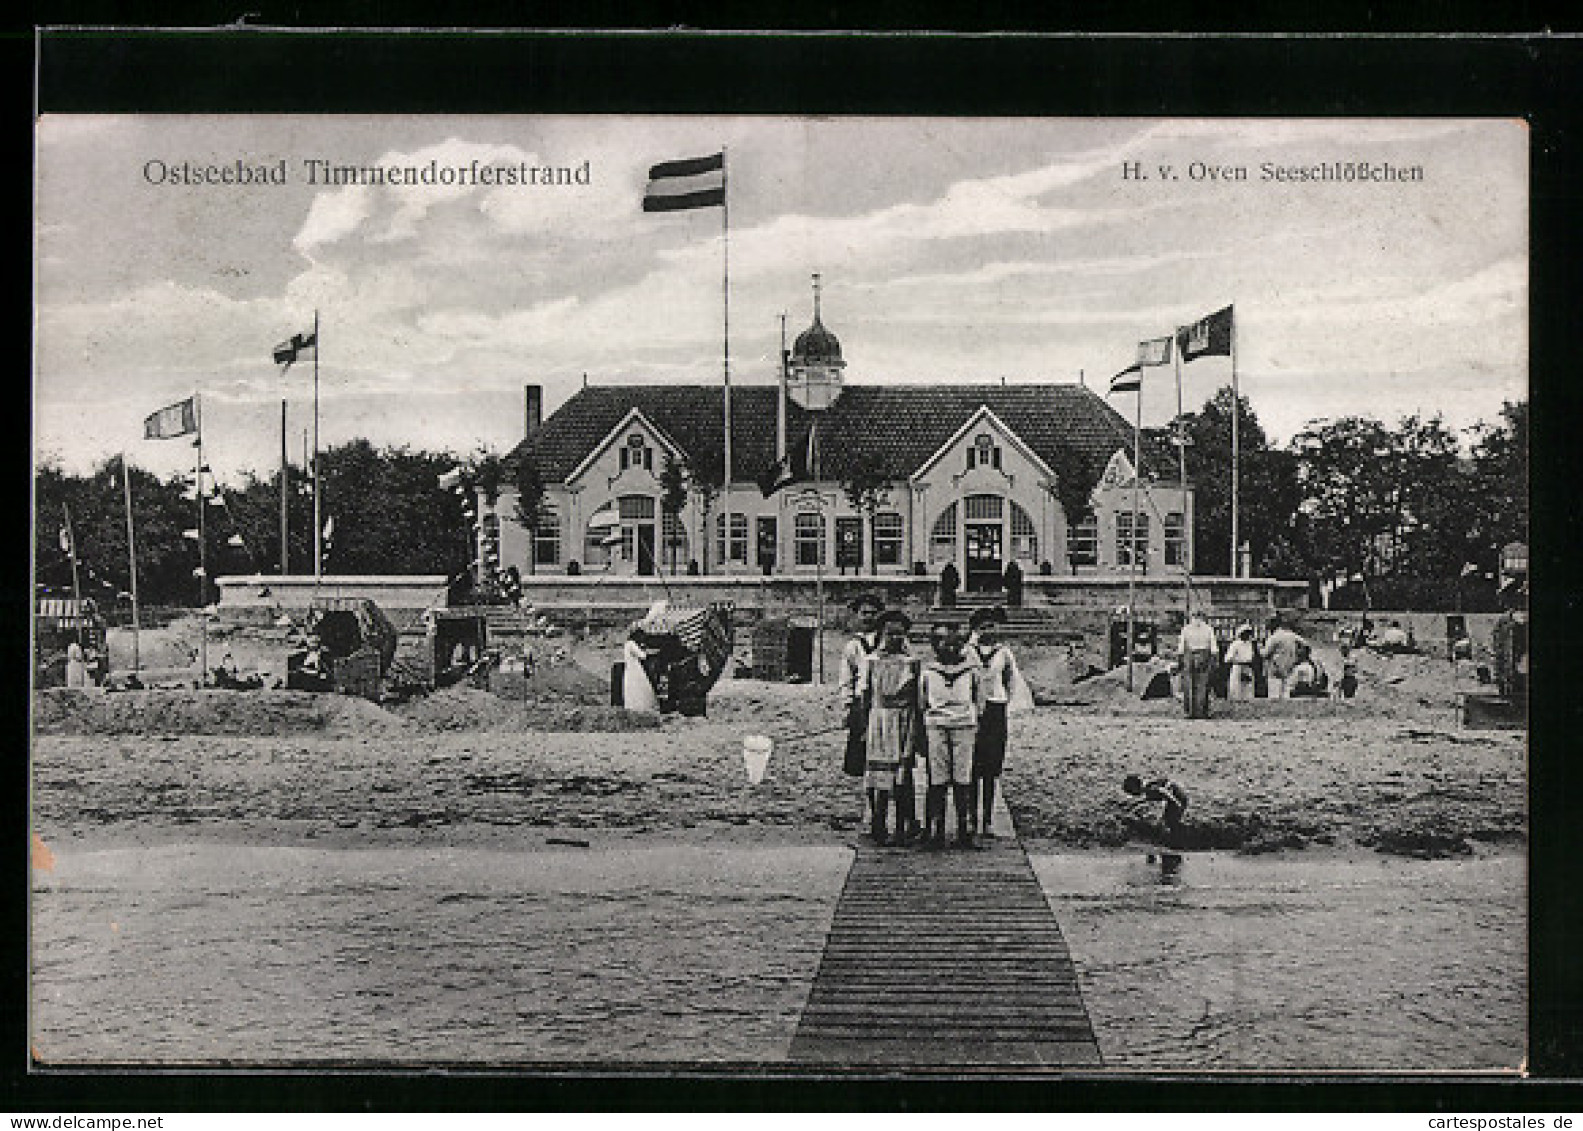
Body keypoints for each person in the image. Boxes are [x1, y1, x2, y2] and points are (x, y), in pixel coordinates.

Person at [919, 621, 984, 849]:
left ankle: (964, 829)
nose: (950, 650)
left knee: (963, 777)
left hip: (964, 726)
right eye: (944, 645)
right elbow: (922, 701)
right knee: (937, 777)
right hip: (936, 726)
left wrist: (973, 720)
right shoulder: (928, 671)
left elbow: (979, 700)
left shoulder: (972, 671)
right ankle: (935, 829)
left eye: (955, 645)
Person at [863, 610, 922, 846]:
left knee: (903, 774)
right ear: (882, 634)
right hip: (879, 719)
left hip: (905, 720)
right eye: (890, 633)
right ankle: (878, 823)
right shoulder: (871, 661)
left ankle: (903, 825)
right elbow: (864, 694)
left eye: (900, 633)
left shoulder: (912, 663)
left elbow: (919, 698)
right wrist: (861, 724)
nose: (895, 638)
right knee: (880, 776)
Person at [967, 606, 1025, 837]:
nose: (988, 631)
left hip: (995, 710)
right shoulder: (967, 651)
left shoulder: (1004, 653)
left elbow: (1012, 680)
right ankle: (971, 818)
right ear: (974, 629)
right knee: (972, 767)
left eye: (992, 626)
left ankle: (988, 820)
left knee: (991, 768)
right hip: (972, 711)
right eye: (983, 627)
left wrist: (1003, 702)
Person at [839, 594, 885, 787]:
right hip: (861, 702)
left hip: (884, 702)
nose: (868, 618)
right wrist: (847, 706)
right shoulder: (852, 646)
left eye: (873, 613)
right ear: (857, 616)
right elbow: (846, 679)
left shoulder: (889, 640)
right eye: (864, 613)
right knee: (861, 750)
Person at [1122, 773, 1189, 846]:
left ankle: (1178, 838)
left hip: (1178, 798)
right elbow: (1150, 797)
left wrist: (1176, 803)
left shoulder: (1149, 789)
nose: (1133, 795)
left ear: (1135, 788)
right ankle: (1174, 836)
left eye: (1132, 792)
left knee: (1169, 820)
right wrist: (1133, 805)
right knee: (1165, 821)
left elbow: (1163, 792)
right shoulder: (1147, 787)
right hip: (1176, 795)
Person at [1178, 609, 1217, 719]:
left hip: (1192, 655)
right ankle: (1200, 712)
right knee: (1202, 683)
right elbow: (1213, 647)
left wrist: (1180, 659)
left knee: (1192, 683)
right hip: (1202, 654)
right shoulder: (1208, 629)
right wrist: (1214, 658)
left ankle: (1192, 712)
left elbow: (1181, 647)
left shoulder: (1186, 629)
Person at [1262, 615, 1305, 699]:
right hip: (1289, 665)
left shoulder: (1273, 638)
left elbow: (1265, 654)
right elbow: (1305, 644)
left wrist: (1259, 647)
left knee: (1274, 692)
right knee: (1286, 692)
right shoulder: (1291, 635)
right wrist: (1298, 658)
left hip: (1275, 667)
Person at [621, 626, 659, 713]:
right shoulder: (632, 644)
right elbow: (642, 656)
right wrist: (644, 649)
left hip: (629, 667)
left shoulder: (627, 644)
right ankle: (640, 707)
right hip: (635, 667)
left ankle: (632, 706)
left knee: (631, 687)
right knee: (639, 686)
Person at [1223, 623, 1257, 702]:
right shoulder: (1235, 644)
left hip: (1248, 667)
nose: (1247, 635)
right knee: (1236, 688)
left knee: (1247, 687)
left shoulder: (1249, 644)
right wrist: (1238, 661)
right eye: (1246, 633)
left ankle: (1247, 701)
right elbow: (1227, 658)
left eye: (1249, 633)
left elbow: (1251, 656)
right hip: (1237, 667)